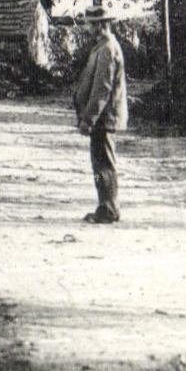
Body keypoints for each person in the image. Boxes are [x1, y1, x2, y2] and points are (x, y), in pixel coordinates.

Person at [72, 19, 128, 223]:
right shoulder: (102, 47)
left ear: (101, 25)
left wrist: (89, 119)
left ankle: (109, 209)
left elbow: (102, 89)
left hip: (105, 117)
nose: (88, 27)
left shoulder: (108, 49)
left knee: (104, 165)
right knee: (100, 165)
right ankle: (105, 206)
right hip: (102, 118)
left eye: (91, 24)